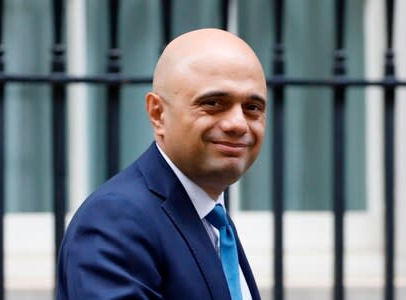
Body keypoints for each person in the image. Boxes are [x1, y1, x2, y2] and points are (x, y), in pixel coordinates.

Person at [56, 28, 267, 300]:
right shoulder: (116, 221)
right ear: (157, 113)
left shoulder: (213, 220)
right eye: (213, 103)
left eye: (252, 108)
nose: (237, 124)